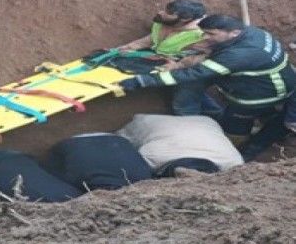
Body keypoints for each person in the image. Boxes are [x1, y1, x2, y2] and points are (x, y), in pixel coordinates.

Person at [119, 15, 296, 160]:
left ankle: (233, 149)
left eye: (210, 34)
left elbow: (195, 73)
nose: (205, 37)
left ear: (233, 33)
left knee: (235, 126)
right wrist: (182, 62)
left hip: (257, 95)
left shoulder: (239, 55)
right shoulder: (251, 33)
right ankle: (207, 119)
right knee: (194, 87)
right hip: (270, 80)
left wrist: (141, 81)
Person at [117, 0, 220, 116]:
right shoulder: (165, 23)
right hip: (168, 61)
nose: (161, 13)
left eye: (169, 13)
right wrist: (130, 47)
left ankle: (196, 118)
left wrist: (178, 65)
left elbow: (205, 57)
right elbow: (152, 38)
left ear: (185, 19)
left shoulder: (202, 35)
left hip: (191, 69)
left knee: (185, 96)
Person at [116, 113, 243, 174]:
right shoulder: (152, 157)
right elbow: (121, 142)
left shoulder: (233, 161)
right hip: (150, 122)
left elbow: (121, 139)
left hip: (203, 121)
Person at [44, 133, 153, 191]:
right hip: (73, 141)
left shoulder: (142, 177)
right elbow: (51, 174)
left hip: (116, 139)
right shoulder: (74, 179)